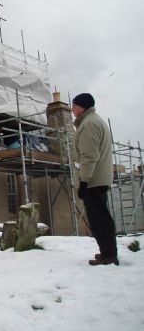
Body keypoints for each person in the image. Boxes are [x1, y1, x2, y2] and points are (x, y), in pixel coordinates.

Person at [72, 93, 118, 266]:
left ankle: (109, 255)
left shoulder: (89, 124)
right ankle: (107, 252)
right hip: (98, 177)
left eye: (74, 105)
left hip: (93, 179)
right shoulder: (93, 121)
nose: (72, 109)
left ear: (83, 106)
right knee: (101, 217)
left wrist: (84, 182)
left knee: (99, 219)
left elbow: (89, 156)